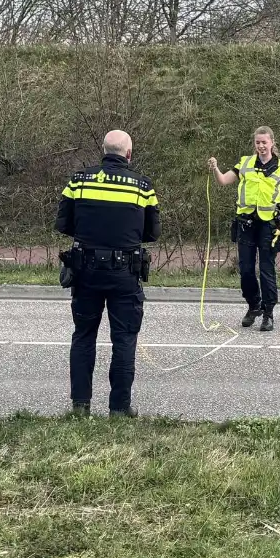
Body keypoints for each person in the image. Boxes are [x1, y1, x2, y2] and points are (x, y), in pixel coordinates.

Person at [54, 129, 160, 418]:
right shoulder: (142, 186)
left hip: (86, 270)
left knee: (84, 335)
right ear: (128, 153)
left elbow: (63, 223)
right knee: (124, 339)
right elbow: (152, 232)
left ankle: (80, 407)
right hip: (125, 272)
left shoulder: (79, 181)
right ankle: (119, 409)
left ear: (103, 150)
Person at [207, 126, 280, 332]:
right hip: (246, 223)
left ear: (272, 142)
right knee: (246, 270)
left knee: (266, 269)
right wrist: (215, 168)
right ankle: (253, 305)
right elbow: (223, 181)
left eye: (264, 142)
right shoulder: (245, 163)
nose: (261, 146)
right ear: (254, 144)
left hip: (269, 225)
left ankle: (268, 312)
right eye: (258, 143)